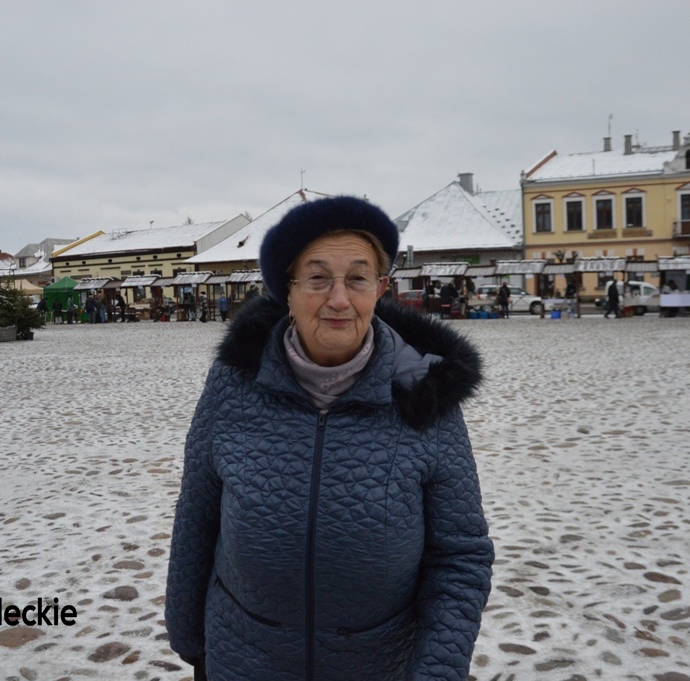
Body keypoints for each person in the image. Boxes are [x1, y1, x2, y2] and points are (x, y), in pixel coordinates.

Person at [165, 196, 493, 681]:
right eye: (317, 278)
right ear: (287, 291)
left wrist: (436, 671)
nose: (339, 299)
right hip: (243, 658)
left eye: (357, 279)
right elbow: (197, 514)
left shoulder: (425, 394)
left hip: (378, 666)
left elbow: (460, 555)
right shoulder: (234, 384)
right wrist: (190, 640)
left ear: (380, 289)